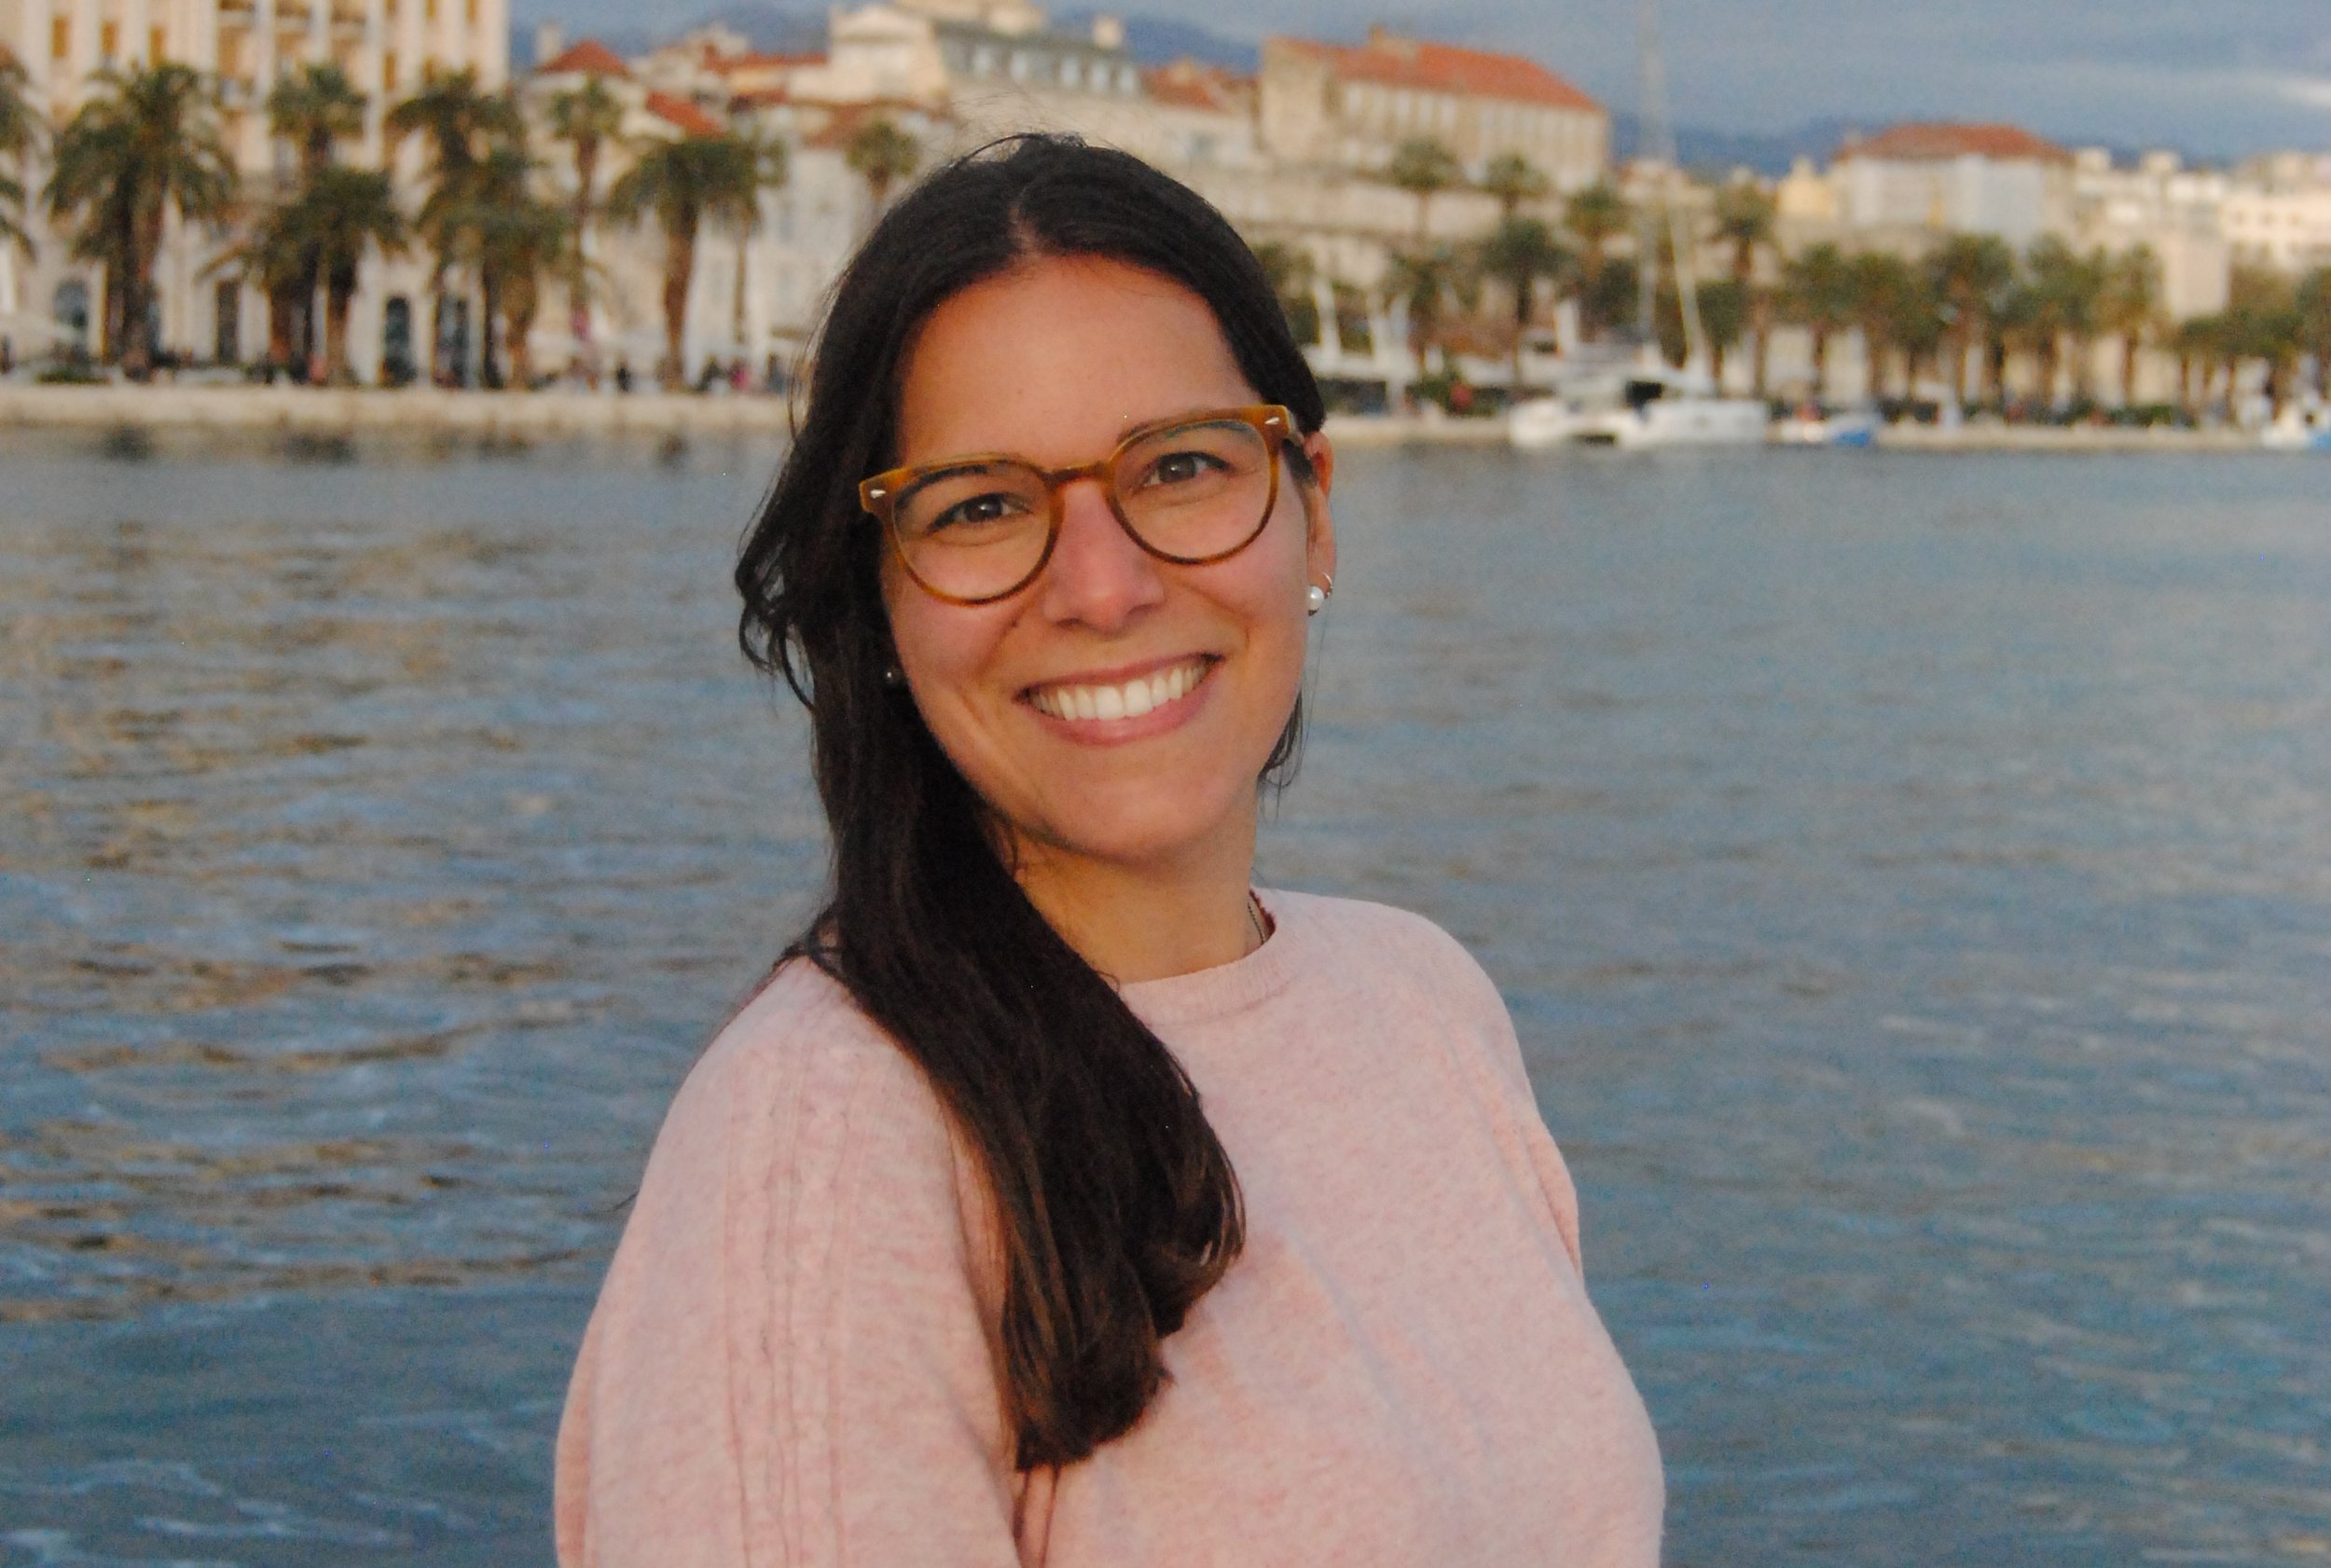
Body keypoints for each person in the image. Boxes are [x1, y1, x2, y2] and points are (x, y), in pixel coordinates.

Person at [554, 134, 1662, 1568]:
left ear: (1314, 507)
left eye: (1182, 467)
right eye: (983, 506)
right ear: (881, 601)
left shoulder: (1424, 1001)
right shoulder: (825, 1150)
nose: (1103, 584)